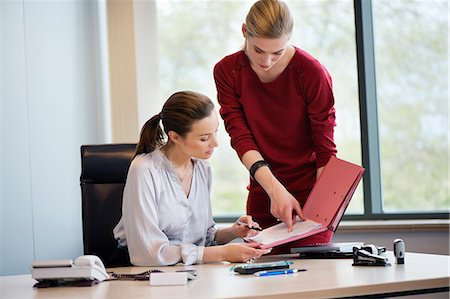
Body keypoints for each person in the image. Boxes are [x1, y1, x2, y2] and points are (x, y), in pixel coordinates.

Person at [213, 0, 337, 253]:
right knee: (264, 283)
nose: (267, 61)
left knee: (313, 282)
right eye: (258, 50)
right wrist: (274, 189)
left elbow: (325, 150)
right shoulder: (227, 71)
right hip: (263, 189)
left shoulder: (311, 72)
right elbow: (240, 137)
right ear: (244, 31)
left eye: (277, 52)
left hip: (309, 200)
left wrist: (320, 210)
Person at [112, 91, 270, 267]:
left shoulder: (202, 167)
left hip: (189, 273)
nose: (215, 143)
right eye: (204, 138)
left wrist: (233, 232)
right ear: (174, 137)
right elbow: (148, 253)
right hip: (140, 275)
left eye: (215, 132)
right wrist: (223, 253)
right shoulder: (144, 169)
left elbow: (204, 237)